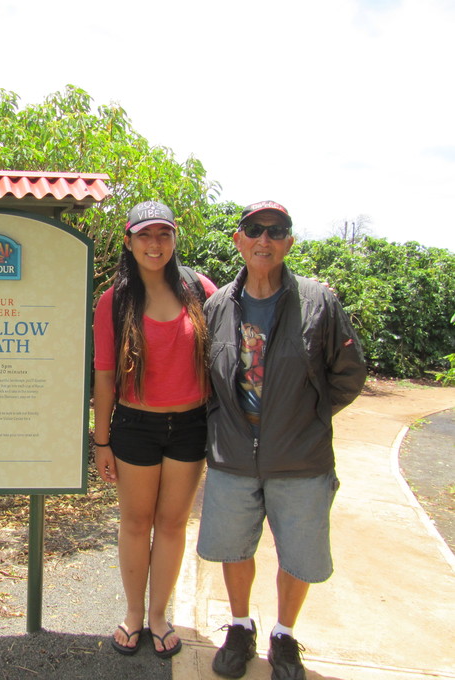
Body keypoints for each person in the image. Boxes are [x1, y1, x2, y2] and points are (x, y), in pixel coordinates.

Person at [197, 201, 366, 680]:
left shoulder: (318, 301)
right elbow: (207, 378)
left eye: (276, 231)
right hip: (233, 455)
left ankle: (285, 635)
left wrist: (307, 415)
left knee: (298, 552)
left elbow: (348, 374)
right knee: (234, 548)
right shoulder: (216, 307)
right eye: (254, 230)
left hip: (300, 457)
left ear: (289, 242)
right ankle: (239, 625)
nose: (264, 240)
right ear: (239, 239)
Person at [93, 200, 218, 658]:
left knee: (171, 523)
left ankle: (159, 615)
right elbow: (105, 376)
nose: (155, 244)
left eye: (163, 234)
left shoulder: (200, 290)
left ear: (174, 239)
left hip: (191, 425)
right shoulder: (114, 301)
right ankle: (132, 613)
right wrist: (101, 440)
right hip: (134, 426)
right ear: (129, 241)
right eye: (145, 235)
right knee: (135, 521)